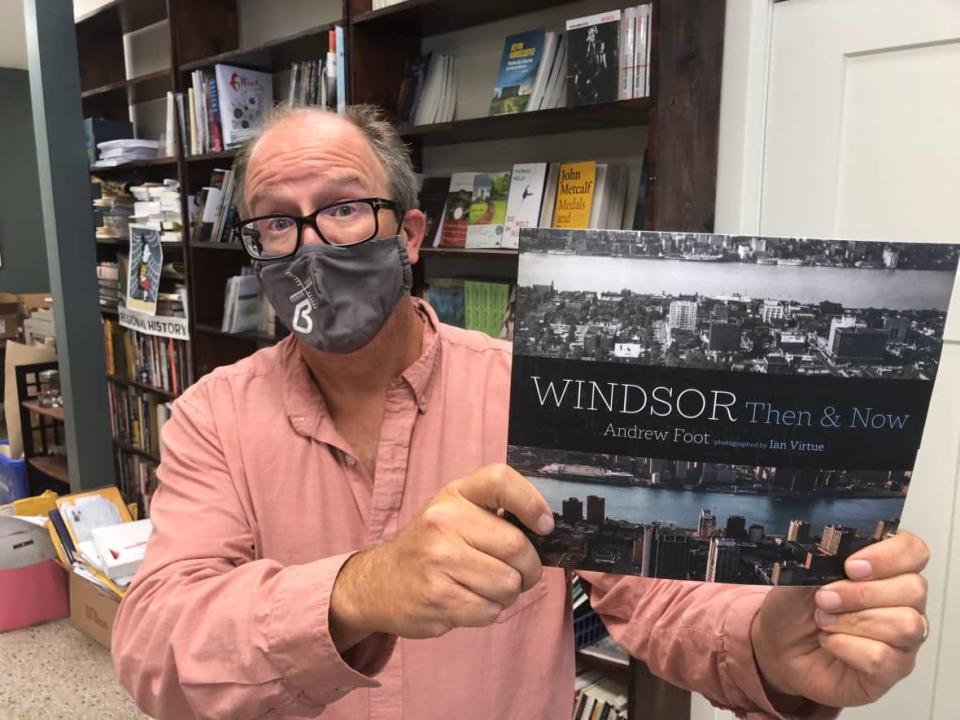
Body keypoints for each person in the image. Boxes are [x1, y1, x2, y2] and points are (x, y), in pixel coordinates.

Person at [112, 105, 931, 719]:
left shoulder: (529, 391)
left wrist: (771, 646)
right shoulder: (212, 415)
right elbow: (155, 647)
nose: (312, 243)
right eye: (277, 224)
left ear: (411, 235)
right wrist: (357, 593)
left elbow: (659, 595)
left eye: (344, 208)